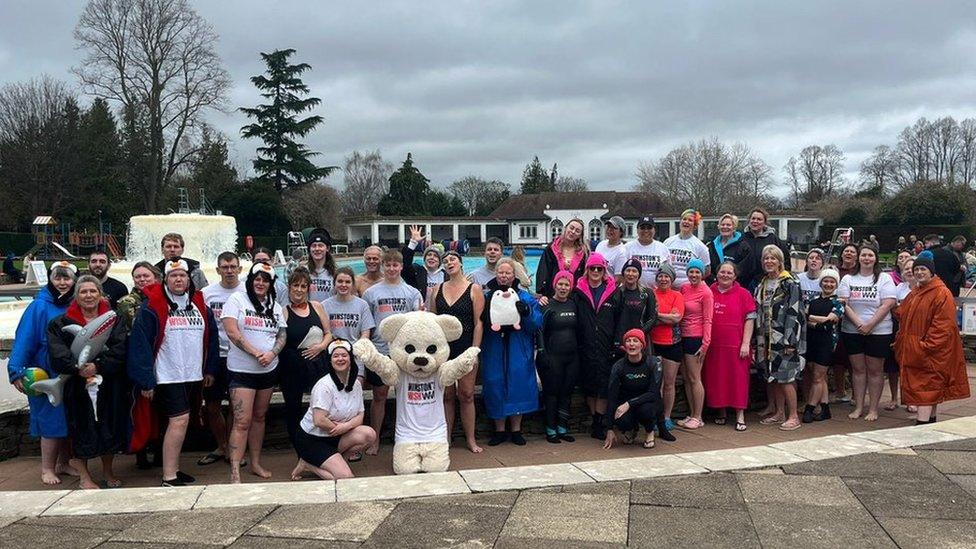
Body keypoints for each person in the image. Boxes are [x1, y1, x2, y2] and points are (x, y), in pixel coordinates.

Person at [128, 258, 219, 486]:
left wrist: (209, 369)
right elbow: (140, 345)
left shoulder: (199, 304)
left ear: (189, 279)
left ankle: (174, 469)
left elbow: (212, 338)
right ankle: (169, 476)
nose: (178, 279)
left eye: (182, 276)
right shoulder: (152, 306)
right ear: (165, 280)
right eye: (173, 276)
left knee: (180, 422)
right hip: (167, 375)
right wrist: (146, 380)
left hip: (193, 374)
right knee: (179, 420)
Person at [47, 275, 128, 489]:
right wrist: (77, 368)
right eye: (83, 291)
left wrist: (98, 366)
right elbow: (57, 353)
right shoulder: (60, 323)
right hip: (76, 385)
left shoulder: (115, 319)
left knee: (109, 426)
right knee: (80, 428)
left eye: (93, 291)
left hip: (108, 384)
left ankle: (108, 471)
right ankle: (84, 477)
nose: (89, 295)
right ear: (76, 295)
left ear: (100, 294)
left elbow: (120, 348)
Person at [8, 261, 78, 485]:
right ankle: (47, 468)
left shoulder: (76, 303)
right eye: (58, 278)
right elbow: (24, 339)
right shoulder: (38, 307)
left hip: (70, 369)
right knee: (50, 420)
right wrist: (16, 370)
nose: (62, 283)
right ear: (50, 279)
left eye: (66, 278)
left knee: (67, 418)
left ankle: (63, 463)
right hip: (45, 371)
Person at [221, 262, 287, 483]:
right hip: (242, 370)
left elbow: (282, 334)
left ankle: (256, 463)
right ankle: (235, 469)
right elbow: (232, 331)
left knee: (260, 418)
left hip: (268, 370)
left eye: (265, 280)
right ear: (251, 280)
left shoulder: (275, 306)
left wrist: (272, 353)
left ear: (270, 284)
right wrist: (256, 352)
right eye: (257, 279)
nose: (261, 283)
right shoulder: (237, 300)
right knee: (242, 421)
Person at [895, 256, 971, 424]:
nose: (919, 272)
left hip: (929, 352)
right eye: (916, 270)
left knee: (925, 389)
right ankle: (930, 422)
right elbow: (904, 313)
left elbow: (943, 327)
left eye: (923, 269)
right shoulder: (917, 291)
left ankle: (921, 426)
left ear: (931, 271)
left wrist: (924, 347)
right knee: (930, 389)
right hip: (919, 348)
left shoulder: (941, 293)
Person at [361, 249, 423, 454]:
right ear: (383, 266)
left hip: (404, 353)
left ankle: (406, 437)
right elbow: (366, 325)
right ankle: (375, 439)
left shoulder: (412, 292)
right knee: (379, 396)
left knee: (406, 396)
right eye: (387, 265)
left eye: (395, 265)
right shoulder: (371, 293)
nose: (391, 269)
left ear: (401, 267)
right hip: (381, 350)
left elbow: (417, 321)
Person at [290, 340, 377, 480]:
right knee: (346, 478)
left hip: (336, 435)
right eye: (336, 356)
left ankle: (334, 461)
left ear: (350, 359)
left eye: (344, 355)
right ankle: (309, 464)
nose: (340, 359)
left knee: (369, 434)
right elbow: (319, 420)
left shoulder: (355, 384)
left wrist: (346, 427)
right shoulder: (324, 386)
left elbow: (360, 415)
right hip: (313, 439)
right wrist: (341, 429)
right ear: (330, 361)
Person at [428, 250, 485, 453]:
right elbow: (432, 322)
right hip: (444, 350)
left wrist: (474, 351)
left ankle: (470, 439)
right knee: (447, 396)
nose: (449, 262)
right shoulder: (436, 290)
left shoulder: (474, 289)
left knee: (467, 394)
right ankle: (447, 438)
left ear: (461, 263)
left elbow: (479, 323)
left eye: (453, 259)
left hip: (466, 347)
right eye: (446, 261)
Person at [481, 258, 541, 445]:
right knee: (495, 384)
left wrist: (526, 313)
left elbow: (536, 324)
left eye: (508, 273)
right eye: (501, 272)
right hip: (494, 348)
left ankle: (516, 430)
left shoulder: (525, 297)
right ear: (496, 274)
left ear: (514, 275)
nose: (504, 276)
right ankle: (499, 430)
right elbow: (480, 323)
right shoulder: (487, 297)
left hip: (518, 347)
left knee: (519, 385)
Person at [838, 244, 897, 422]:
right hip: (852, 330)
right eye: (863, 255)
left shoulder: (884, 278)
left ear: (875, 258)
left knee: (875, 371)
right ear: (859, 258)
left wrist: (870, 324)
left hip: (879, 331)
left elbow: (888, 303)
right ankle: (858, 407)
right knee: (857, 370)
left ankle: (873, 408)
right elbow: (843, 303)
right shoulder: (848, 279)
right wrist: (858, 324)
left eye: (870, 255)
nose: (866, 258)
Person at [198, 251, 245, 467]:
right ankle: (222, 445)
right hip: (215, 357)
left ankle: (234, 448)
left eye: (232, 267)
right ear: (217, 270)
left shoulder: (247, 291)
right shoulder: (206, 294)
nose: (229, 271)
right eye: (224, 267)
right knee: (213, 406)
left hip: (241, 355)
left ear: (239, 269)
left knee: (237, 406)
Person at [280, 267, 332, 446]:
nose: (299, 289)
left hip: (318, 363)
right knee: (293, 407)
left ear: (308, 288)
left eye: (303, 286)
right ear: (289, 287)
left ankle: (322, 441)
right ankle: (298, 444)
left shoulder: (317, 307)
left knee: (322, 404)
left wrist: (321, 347)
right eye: (296, 285)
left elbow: (328, 333)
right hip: (292, 367)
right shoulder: (284, 311)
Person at [755, 245, 804, 431]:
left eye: (773, 258)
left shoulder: (790, 283)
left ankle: (793, 416)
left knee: (786, 378)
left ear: (780, 261)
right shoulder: (764, 283)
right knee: (773, 377)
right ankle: (779, 412)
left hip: (784, 338)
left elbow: (795, 313)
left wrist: (791, 340)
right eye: (766, 258)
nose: (769, 261)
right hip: (766, 338)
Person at [703, 261, 756, 431]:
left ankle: (740, 415)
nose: (725, 275)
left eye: (729, 273)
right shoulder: (708, 291)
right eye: (722, 272)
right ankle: (721, 411)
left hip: (737, 345)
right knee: (717, 379)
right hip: (714, 346)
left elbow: (750, 318)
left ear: (735, 276)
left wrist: (746, 343)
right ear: (716, 274)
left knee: (738, 380)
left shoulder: (744, 294)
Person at [603, 329, 675, 449]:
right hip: (627, 403)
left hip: (647, 402)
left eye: (635, 341)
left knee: (646, 409)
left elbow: (653, 393)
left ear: (642, 345)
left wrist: (629, 404)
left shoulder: (653, 363)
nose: (631, 344)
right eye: (628, 341)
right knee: (620, 416)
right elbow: (612, 396)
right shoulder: (619, 366)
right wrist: (609, 429)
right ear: (624, 345)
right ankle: (631, 430)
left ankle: (650, 431)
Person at [536, 271, 581, 443]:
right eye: (560, 284)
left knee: (566, 393)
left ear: (571, 287)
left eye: (567, 285)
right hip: (552, 356)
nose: (563, 288)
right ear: (555, 285)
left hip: (572, 357)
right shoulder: (546, 305)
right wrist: (541, 352)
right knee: (552, 393)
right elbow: (540, 331)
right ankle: (550, 429)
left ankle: (563, 428)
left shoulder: (573, 304)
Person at [801, 269, 844, 423]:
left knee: (818, 377)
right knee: (817, 375)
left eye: (832, 282)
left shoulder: (838, 303)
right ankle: (825, 409)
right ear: (821, 283)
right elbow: (806, 319)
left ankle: (809, 408)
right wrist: (817, 321)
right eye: (825, 281)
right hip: (812, 341)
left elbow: (830, 320)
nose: (828, 284)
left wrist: (811, 318)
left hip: (827, 343)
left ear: (836, 284)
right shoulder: (812, 301)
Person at [675, 258, 712, 430]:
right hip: (681, 335)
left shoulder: (706, 292)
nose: (694, 275)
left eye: (697, 272)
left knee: (695, 378)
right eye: (691, 271)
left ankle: (698, 416)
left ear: (702, 273)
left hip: (695, 338)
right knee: (687, 379)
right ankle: (692, 413)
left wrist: (705, 343)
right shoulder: (684, 288)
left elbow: (708, 319)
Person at [651, 263, 684, 430]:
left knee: (669, 383)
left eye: (666, 276)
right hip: (653, 344)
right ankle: (656, 416)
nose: (663, 279)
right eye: (660, 276)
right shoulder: (651, 294)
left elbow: (676, 319)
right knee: (656, 384)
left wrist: (658, 316)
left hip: (672, 344)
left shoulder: (677, 295)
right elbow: (650, 318)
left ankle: (667, 416)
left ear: (672, 279)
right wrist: (666, 317)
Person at [829, 242, 860, 404]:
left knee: (853, 360)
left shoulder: (860, 273)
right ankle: (840, 392)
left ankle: (856, 394)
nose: (848, 254)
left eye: (852, 252)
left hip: (854, 318)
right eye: (846, 251)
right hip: (835, 320)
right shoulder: (834, 271)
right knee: (837, 358)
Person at [614, 258, 657, 360]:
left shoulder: (647, 293)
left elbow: (652, 318)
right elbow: (613, 318)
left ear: (639, 274)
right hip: (620, 341)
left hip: (640, 341)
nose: (630, 274)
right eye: (628, 271)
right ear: (623, 273)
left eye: (634, 271)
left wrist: (637, 336)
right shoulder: (616, 292)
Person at [324, 267, 375, 350]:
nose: (343, 285)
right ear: (334, 283)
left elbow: (365, 333)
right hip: (333, 353)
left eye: (347, 282)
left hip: (356, 353)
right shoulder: (324, 305)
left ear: (353, 284)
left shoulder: (362, 305)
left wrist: (356, 351)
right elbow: (324, 333)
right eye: (340, 281)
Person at [536, 218, 588, 298]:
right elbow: (543, 271)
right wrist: (540, 292)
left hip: (575, 296)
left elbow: (585, 276)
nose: (573, 232)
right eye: (571, 228)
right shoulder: (551, 248)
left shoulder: (583, 253)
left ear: (580, 235)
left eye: (577, 231)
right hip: (552, 294)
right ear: (565, 228)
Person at [739, 208, 790, 290]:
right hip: (744, 282)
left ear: (764, 222)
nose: (755, 221)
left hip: (766, 283)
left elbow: (785, 259)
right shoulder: (741, 238)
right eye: (753, 218)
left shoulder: (773, 239)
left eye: (759, 219)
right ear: (749, 220)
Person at [664, 209, 711, 288]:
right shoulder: (668, 242)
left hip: (689, 289)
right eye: (684, 219)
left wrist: (693, 282)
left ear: (695, 225)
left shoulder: (700, 246)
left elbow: (707, 270)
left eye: (690, 220)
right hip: (668, 287)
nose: (686, 222)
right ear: (680, 222)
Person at [624, 215, 671, 289]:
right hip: (633, 292)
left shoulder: (663, 248)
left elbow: (668, 273)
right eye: (642, 228)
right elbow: (622, 273)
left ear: (654, 230)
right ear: (637, 230)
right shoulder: (627, 248)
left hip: (657, 293)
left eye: (649, 228)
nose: (646, 231)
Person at [706, 214, 750, 285]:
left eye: (728, 225)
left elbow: (744, 270)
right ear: (719, 227)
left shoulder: (743, 246)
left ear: (734, 228)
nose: (725, 227)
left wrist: (729, 282)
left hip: (735, 286)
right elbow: (707, 267)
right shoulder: (711, 246)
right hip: (714, 286)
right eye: (722, 225)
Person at [117, 262, 162, 330]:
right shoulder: (126, 302)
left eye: (146, 276)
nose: (142, 279)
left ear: (155, 278)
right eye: (137, 277)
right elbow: (138, 326)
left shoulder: (165, 297)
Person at [402, 225, 441, 297]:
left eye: (435, 256)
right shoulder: (416, 273)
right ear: (424, 258)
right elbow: (404, 266)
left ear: (440, 261)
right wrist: (413, 243)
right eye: (429, 255)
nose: (432, 257)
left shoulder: (446, 275)